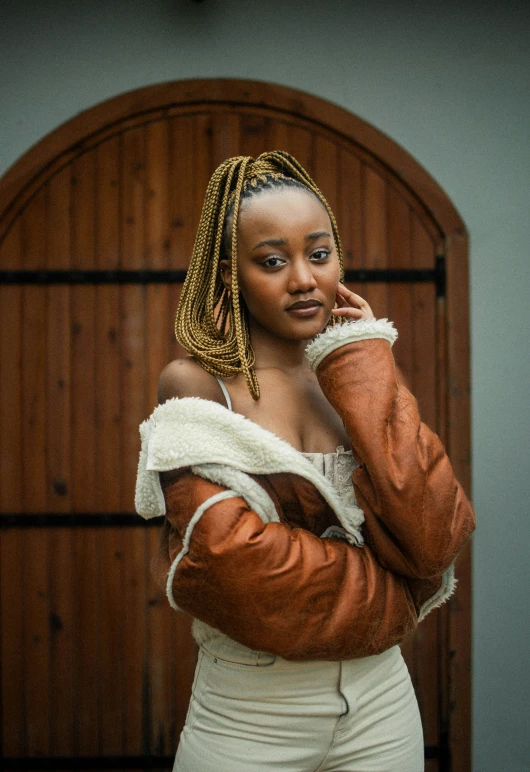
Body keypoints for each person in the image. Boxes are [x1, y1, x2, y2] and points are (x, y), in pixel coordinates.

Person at [135, 151, 475, 772]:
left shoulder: (353, 373)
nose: (303, 279)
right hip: (251, 712)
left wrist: (365, 362)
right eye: (272, 261)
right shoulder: (197, 384)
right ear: (229, 273)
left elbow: (433, 536)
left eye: (319, 255)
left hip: (382, 702)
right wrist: (399, 597)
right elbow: (234, 569)